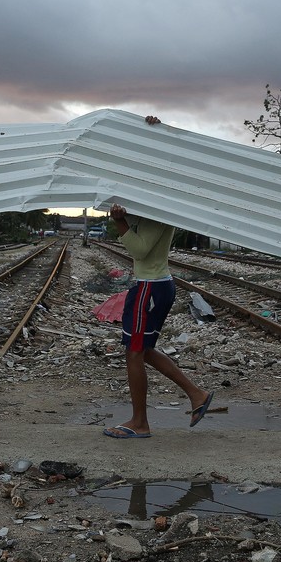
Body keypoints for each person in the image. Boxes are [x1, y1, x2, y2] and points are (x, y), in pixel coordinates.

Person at [103, 116, 214, 440]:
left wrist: (120, 223)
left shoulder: (157, 208)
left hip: (151, 289)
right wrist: (150, 129)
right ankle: (197, 395)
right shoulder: (151, 201)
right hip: (154, 286)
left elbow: (139, 249)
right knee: (144, 349)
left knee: (135, 352)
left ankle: (140, 422)